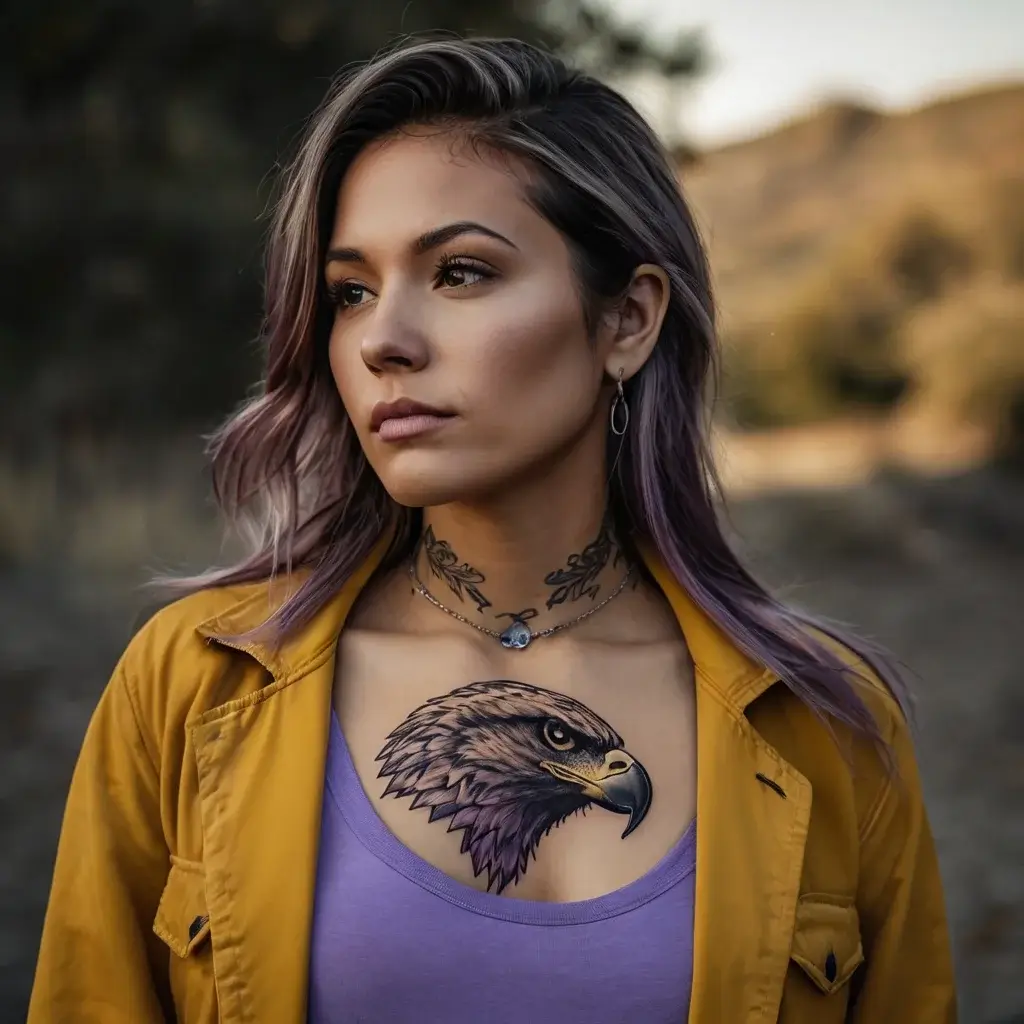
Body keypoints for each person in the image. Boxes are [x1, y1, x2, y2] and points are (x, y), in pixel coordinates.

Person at [29, 34, 956, 1024]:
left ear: (626, 321)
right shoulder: (191, 684)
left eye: (461, 272)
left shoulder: (824, 722)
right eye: (351, 290)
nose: (384, 340)